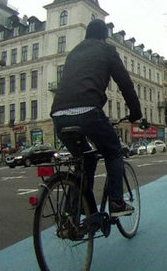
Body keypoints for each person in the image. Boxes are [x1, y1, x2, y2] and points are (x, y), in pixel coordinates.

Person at [50, 19, 142, 217]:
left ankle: (76, 212)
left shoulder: (74, 53)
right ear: (104, 37)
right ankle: (117, 202)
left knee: (85, 160)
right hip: (88, 112)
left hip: (58, 115)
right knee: (114, 151)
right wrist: (136, 112)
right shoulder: (107, 50)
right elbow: (125, 83)